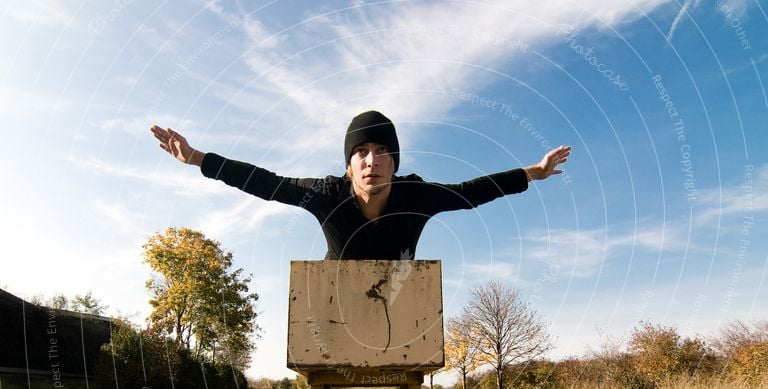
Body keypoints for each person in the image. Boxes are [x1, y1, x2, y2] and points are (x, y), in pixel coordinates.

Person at [150, 110, 570, 260]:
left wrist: (535, 171)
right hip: (338, 299)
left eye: (383, 151)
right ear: (349, 166)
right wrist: (199, 159)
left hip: (400, 297)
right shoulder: (326, 194)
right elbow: (266, 183)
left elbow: (470, 191)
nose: (373, 161)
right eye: (362, 152)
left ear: (395, 161)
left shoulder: (415, 196)